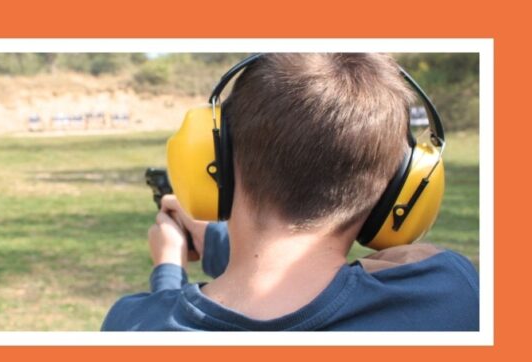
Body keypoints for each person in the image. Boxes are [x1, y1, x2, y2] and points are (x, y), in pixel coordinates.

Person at [101, 53, 479, 331]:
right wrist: (213, 241)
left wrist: (168, 266)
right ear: (400, 190)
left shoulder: (132, 327)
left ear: (211, 165)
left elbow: (162, 314)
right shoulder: (448, 293)